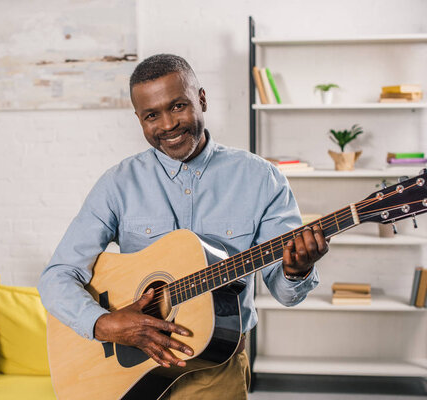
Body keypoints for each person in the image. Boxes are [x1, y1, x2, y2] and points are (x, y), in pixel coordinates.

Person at [38, 54, 329, 399]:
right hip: (129, 370)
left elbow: (284, 293)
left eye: (178, 106)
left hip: (215, 369)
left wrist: (297, 270)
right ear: (139, 119)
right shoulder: (117, 184)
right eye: (151, 115)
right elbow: (57, 275)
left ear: (201, 99)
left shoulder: (261, 178)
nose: (167, 125)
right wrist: (102, 323)